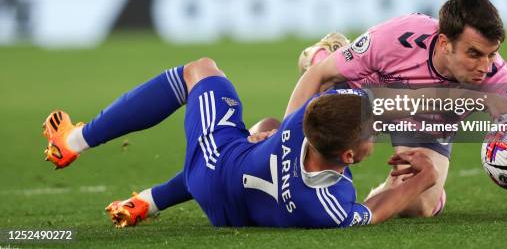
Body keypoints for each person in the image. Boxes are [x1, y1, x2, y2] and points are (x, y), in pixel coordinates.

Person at [42, 57, 437, 228]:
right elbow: (372, 211)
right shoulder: (327, 208)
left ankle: (74, 142)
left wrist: (324, 61)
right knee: (246, 131)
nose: (377, 135)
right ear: (348, 156)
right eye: (372, 133)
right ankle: (144, 199)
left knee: (201, 71)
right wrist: (424, 178)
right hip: (229, 213)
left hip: (215, 170)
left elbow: (310, 101)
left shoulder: (306, 119)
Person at [288, 0, 507, 221]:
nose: (485, 66)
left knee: (419, 207)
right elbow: (318, 76)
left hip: (424, 121)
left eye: (492, 54)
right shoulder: (397, 37)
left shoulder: (497, 78)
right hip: (368, 95)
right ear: (445, 44)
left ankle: (383, 194)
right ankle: (325, 53)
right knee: (324, 91)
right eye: (474, 54)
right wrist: (283, 139)